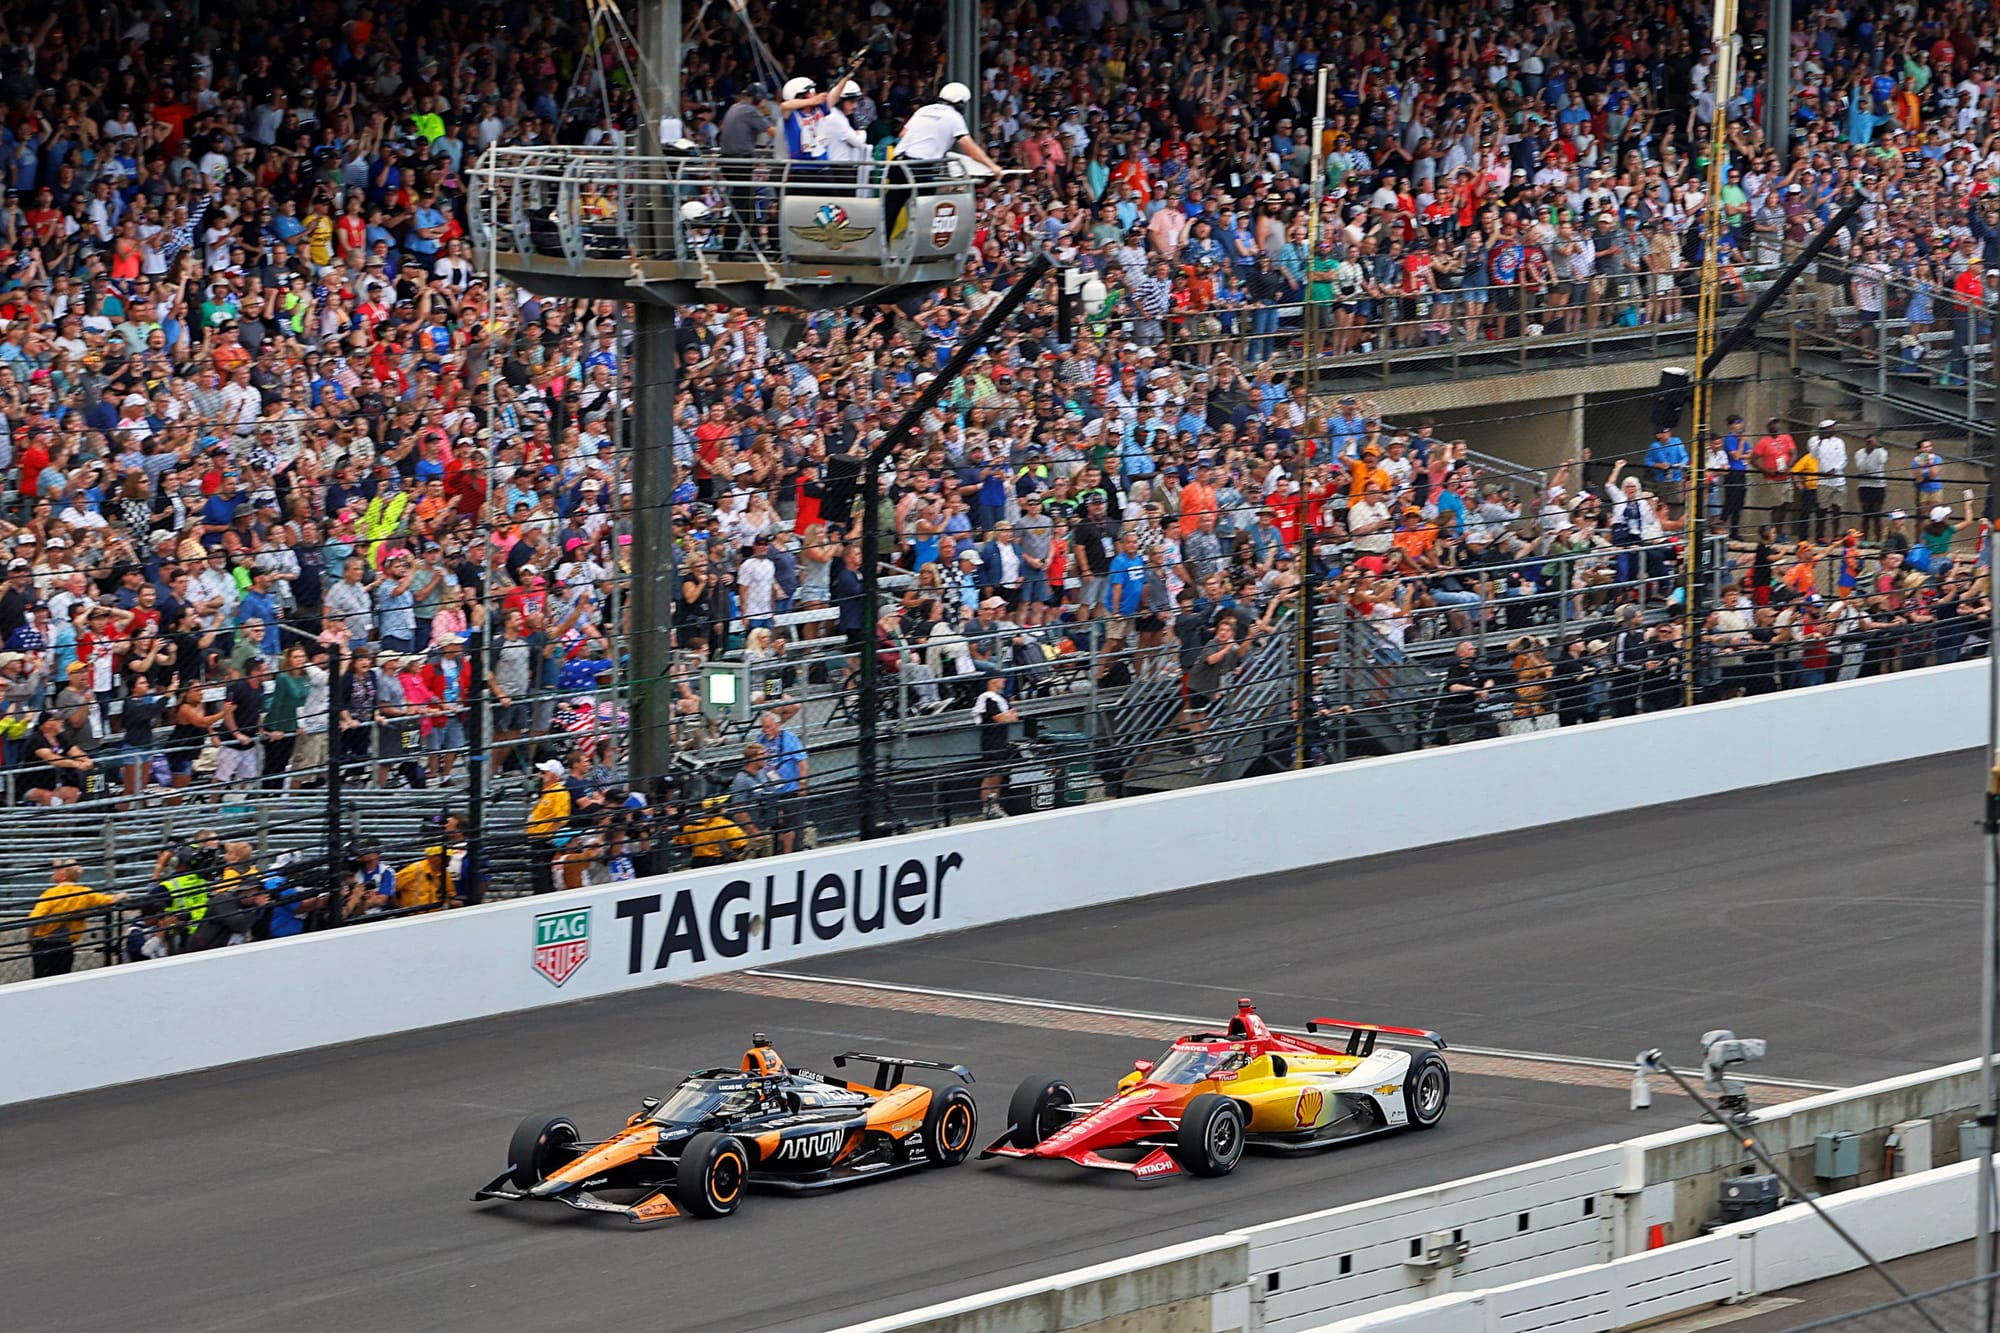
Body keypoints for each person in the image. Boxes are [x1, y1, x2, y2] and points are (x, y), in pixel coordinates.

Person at [27, 859, 126, 977]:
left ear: (63, 875)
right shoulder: (83, 893)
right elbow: (107, 901)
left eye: (57, 871)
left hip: (44, 943)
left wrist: (30, 939)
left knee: (41, 979)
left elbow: (34, 918)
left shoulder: (51, 893)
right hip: (66, 944)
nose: (53, 873)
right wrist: (122, 895)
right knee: (62, 978)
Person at [757, 709, 808, 855]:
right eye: (763, 727)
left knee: (790, 825)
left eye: (768, 727)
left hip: (789, 790)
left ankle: (790, 853)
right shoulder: (761, 740)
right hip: (770, 791)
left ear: (777, 724)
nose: (765, 730)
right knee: (775, 826)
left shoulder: (790, 739)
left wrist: (802, 784)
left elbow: (802, 762)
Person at [973, 673, 1017, 820]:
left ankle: (995, 805)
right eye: (1001, 678)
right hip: (991, 741)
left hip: (1002, 740)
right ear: (992, 681)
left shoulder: (1001, 699)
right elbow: (1001, 718)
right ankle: (986, 807)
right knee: (990, 775)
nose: (1004, 680)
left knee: (999, 775)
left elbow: (1013, 716)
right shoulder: (987, 698)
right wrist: (1007, 717)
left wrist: (1007, 717)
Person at [526, 758, 572, 895]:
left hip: (543, 840)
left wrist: (549, 836)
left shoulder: (559, 792)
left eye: (544, 772)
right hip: (538, 839)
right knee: (539, 874)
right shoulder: (548, 791)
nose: (540, 775)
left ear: (554, 775)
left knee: (542, 874)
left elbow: (562, 818)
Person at [728, 741, 778, 857]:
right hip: (750, 833)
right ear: (753, 758)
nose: (766, 756)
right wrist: (753, 831)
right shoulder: (741, 780)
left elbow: (773, 789)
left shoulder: (762, 773)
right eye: (762, 754)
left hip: (765, 827)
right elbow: (739, 809)